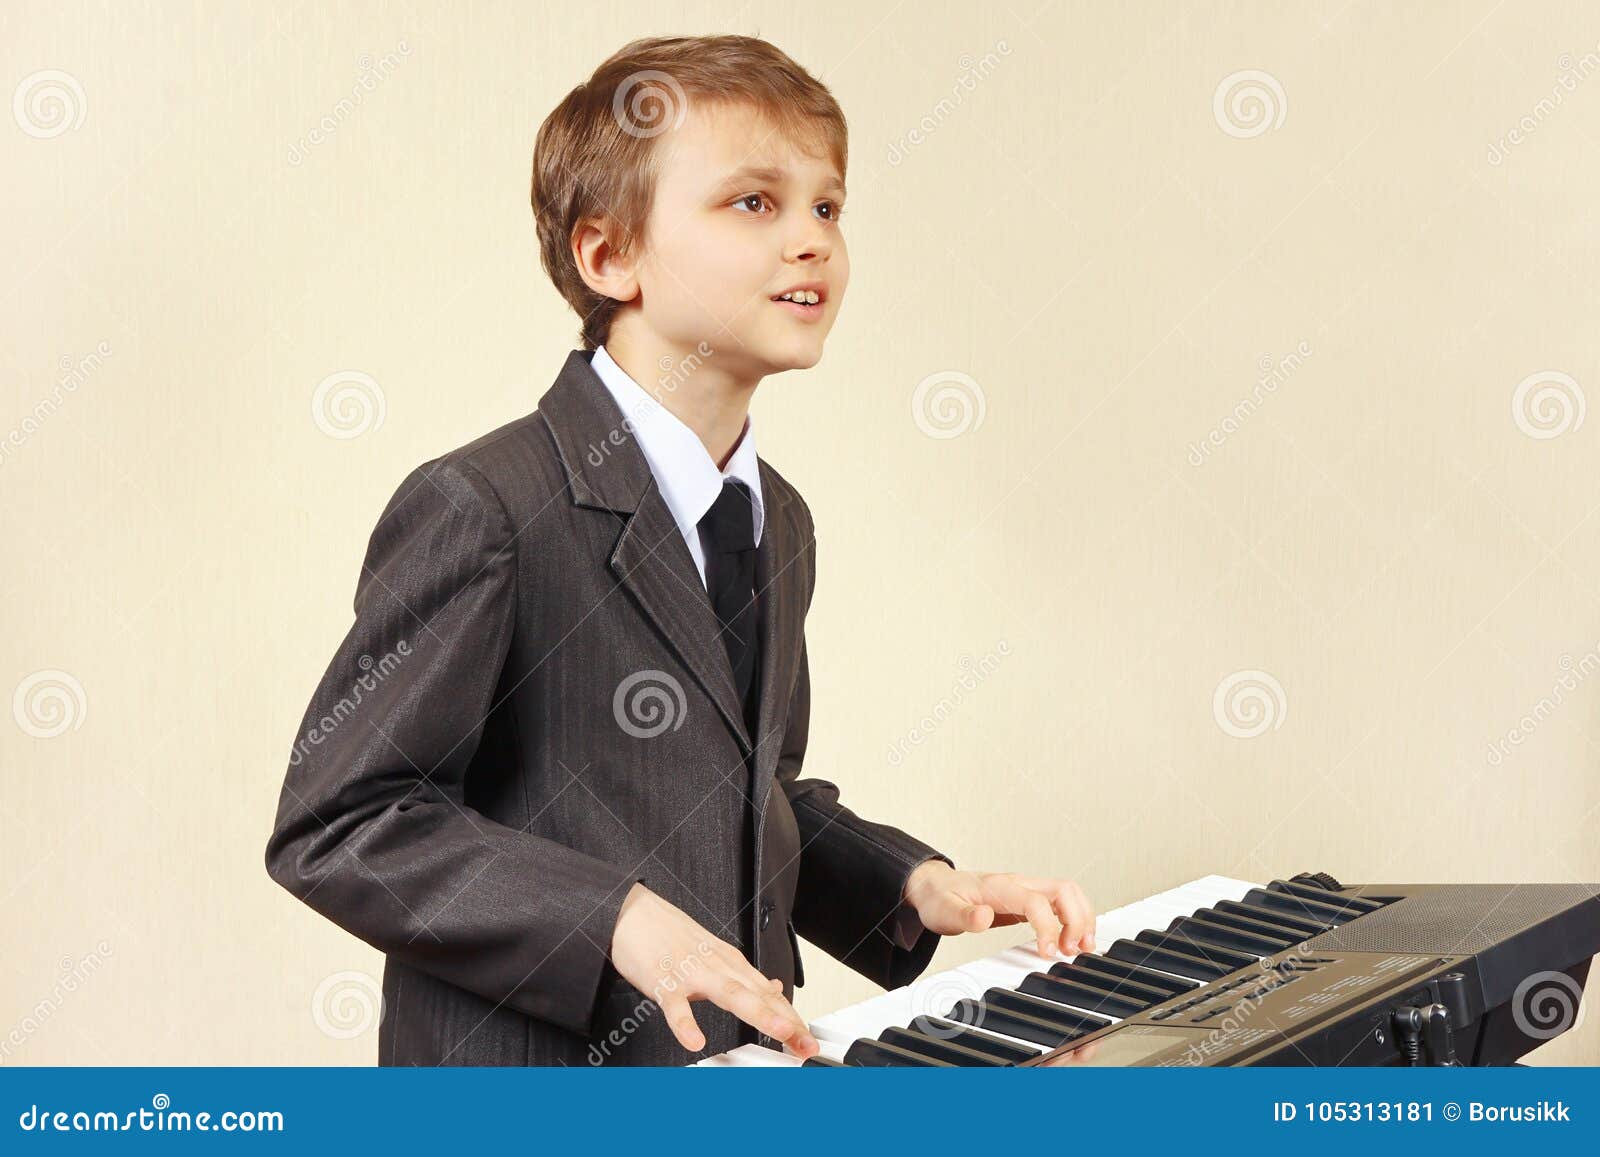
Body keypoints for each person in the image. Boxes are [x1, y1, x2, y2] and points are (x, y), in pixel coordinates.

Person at [265, 33, 1096, 1067]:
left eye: (827, 207)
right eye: (754, 202)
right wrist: (611, 917)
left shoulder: (777, 519)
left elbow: (755, 796)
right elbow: (342, 822)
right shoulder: (486, 506)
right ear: (608, 255)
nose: (811, 240)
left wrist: (914, 885)